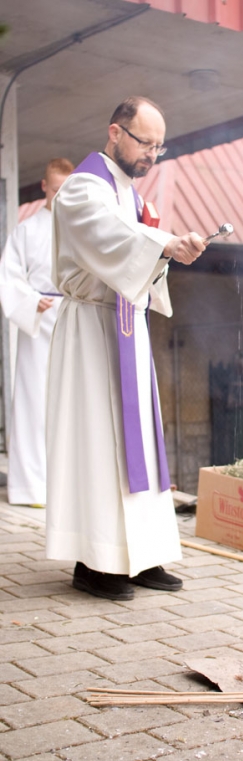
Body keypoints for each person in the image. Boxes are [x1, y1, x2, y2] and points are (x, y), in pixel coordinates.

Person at [46, 96, 206, 600]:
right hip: (91, 331)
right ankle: (94, 562)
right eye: (145, 143)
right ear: (115, 132)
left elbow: (134, 246)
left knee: (140, 446)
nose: (152, 155)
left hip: (126, 328)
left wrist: (169, 250)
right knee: (98, 442)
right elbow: (108, 236)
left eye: (159, 147)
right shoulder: (82, 187)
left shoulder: (131, 197)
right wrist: (163, 244)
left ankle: (142, 555)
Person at [0, 158, 74, 506]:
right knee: (34, 402)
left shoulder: (79, 228)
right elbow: (9, 275)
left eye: (66, 190)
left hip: (73, 317)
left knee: (72, 401)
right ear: (44, 186)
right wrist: (31, 300)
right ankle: (30, 487)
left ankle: (70, 485)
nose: (60, 196)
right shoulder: (26, 231)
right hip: (39, 319)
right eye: (56, 189)